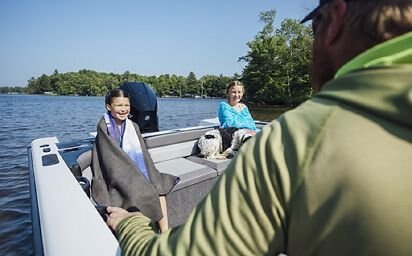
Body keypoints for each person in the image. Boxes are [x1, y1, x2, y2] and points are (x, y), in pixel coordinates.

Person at [106, 0, 412, 255]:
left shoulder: (300, 138)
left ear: (334, 20)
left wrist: (129, 225)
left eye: (314, 24)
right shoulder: (236, 112)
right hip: (234, 137)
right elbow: (233, 125)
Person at [91, 88, 178, 233]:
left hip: (138, 169)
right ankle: (146, 233)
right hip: (118, 175)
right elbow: (110, 160)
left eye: (126, 105)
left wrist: (149, 175)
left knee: (159, 187)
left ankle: (164, 232)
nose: (123, 109)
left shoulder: (133, 126)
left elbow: (143, 155)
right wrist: (132, 178)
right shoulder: (103, 127)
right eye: (119, 105)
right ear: (108, 106)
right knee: (142, 194)